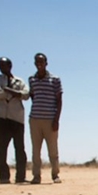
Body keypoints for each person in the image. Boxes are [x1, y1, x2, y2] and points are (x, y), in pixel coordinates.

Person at [0, 57, 29, 184]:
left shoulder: (20, 81)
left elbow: (25, 95)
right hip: (2, 118)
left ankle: (20, 177)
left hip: (17, 118)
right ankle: (4, 176)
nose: (1, 68)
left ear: (10, 65)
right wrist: (14, 93)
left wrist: (7, 90)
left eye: (4, 65)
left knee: (20, 149)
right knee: (1, 150)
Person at [28, 53, 63, 184]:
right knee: (36, 151)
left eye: (42, 62)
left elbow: (59, 100)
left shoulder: (55, 79)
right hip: (35, 119)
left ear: (46, 63)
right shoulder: (31, 79)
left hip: (50, 119)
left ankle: (55, 175)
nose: (39, 64)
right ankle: (36, 176)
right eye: (37, 62)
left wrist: (56, 119)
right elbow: (33, 97)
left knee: (53, 150)